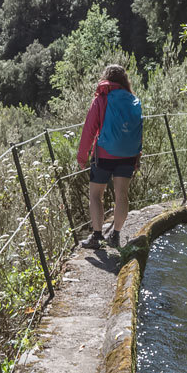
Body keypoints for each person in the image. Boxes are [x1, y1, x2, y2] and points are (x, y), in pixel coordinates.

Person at [76, 64, 142, 249]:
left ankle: (97, 237)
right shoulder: (133, 100)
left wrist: (82, 156)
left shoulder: (101, 99)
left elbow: (89, 130)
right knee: (122, 194)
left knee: (96, 195)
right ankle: (116, 235)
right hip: (128, 155)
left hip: (104, 155)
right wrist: (137, 156)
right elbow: (138, 131)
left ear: (106, 78)